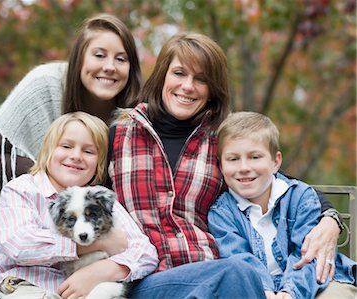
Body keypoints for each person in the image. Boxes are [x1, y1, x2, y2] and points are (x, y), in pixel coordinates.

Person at [108, 32, 344, 298]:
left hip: (213, 273)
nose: (187, 86)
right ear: (162, 75)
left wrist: (330, 220)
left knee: (237, 274)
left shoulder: (220, 139)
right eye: (179, 73)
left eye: (201, 79)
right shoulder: (121, 133)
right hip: (149, 280)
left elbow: (280, 182)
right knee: (239, 273)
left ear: (212, 90)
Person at [0, 112, 158, 299]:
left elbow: (146, 253)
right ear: (47, 151)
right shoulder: (22, 190)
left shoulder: (100, 199)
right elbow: (17, 243)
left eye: (88, 151)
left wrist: (102, 271)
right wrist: (93, 244)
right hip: (21, 289)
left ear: (99, 163)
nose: (76, 156)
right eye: (66, 146)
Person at [0, 13, 141, 188]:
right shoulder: (44, 83)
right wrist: (55, 174)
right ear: (79, 58)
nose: (110, 67)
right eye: (99, 55)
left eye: (121, 59)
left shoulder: (136, 116)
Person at [208, 111, 357, 299]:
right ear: (221, 166)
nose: (244, 167)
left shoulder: (300, 198)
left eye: (255, 157)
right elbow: (239, 260)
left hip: (314, 282)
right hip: (255, 291)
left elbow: (308, 255)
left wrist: (290, 292)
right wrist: (264, 292)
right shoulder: (221, 213)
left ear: (276, 161)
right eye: (233, 159)